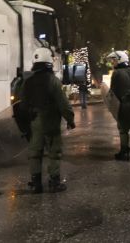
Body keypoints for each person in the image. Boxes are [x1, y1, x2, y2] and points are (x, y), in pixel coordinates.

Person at [22, 47, 75, 193]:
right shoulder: (53, 81)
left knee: (35, 153)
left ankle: (36, 184)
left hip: (35, 122)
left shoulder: (28, 82)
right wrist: (70, 119)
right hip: (51, 121)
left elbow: (23, 105)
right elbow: (63, 104)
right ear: (49, 62)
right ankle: (54, 182)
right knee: (54, 152)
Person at [108, 50, 130, 161]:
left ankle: (124, 152)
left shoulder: (116, 73)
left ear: (120, 60)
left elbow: (113, 91)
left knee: (123, 129)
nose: (112, 62)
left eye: (114, 60)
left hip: (124, 106)